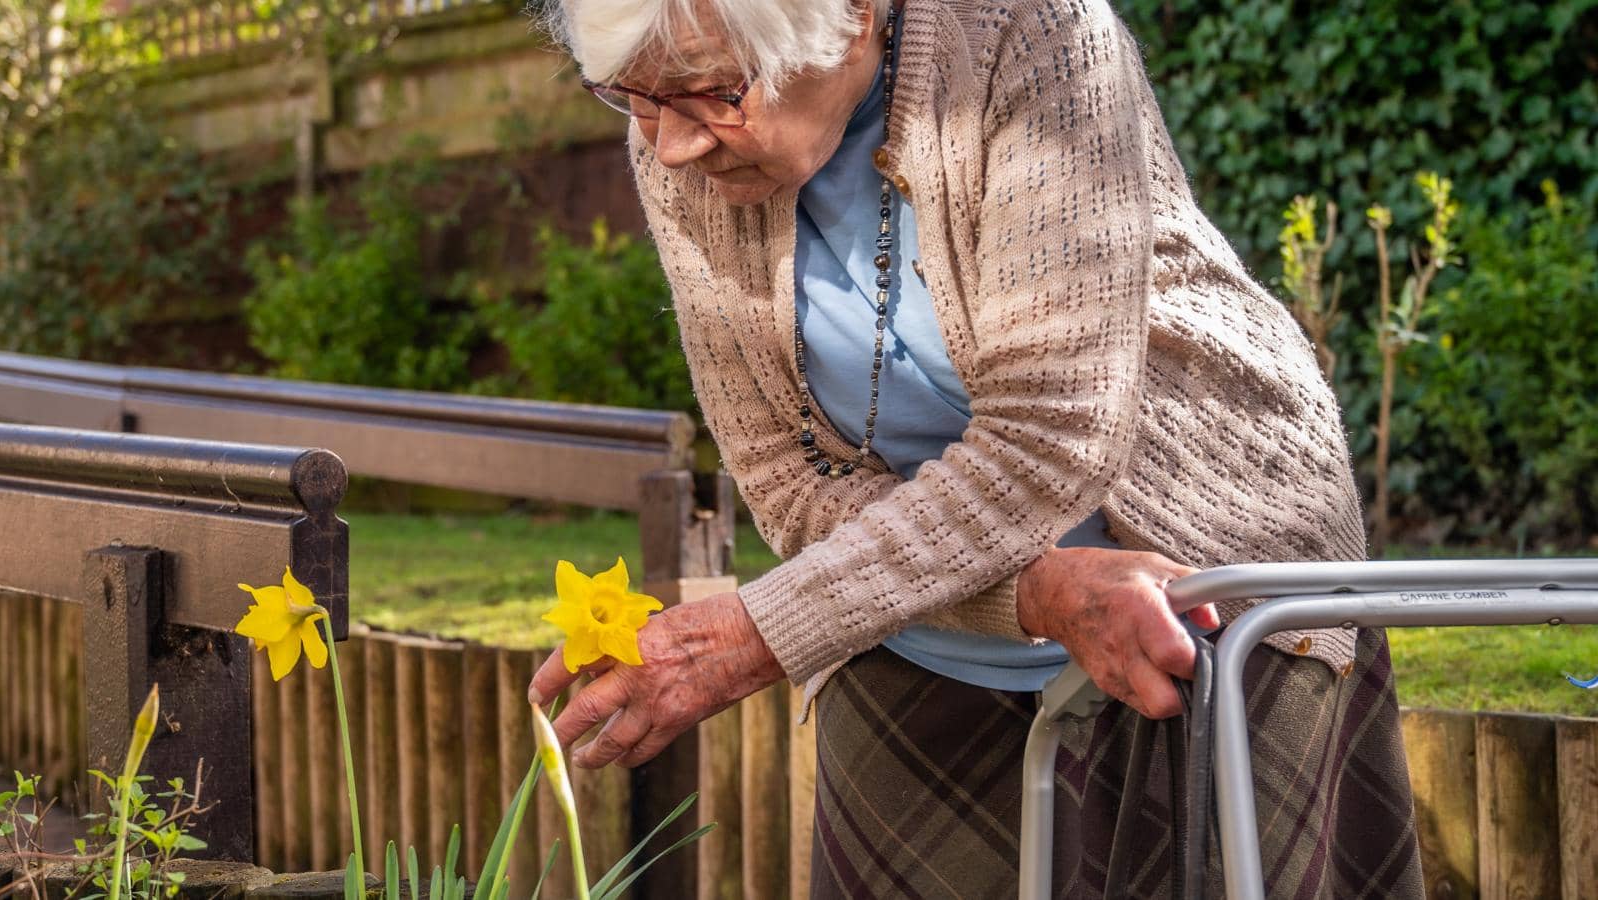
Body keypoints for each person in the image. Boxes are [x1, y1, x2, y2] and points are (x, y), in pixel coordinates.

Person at [527, 0, 1424, 895]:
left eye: (713, 93)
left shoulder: (1039, 34)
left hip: (1194, 564)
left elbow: (1051, 437)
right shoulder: (679, 141)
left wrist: (756, 635)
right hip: (913, 607)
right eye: (631, 97)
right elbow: (789, 485)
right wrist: (1033, 592)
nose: (672, 145)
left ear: (853, 16)